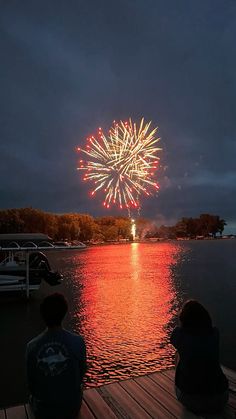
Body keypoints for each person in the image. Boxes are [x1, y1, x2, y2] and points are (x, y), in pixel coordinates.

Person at [26, 293, 87, 419]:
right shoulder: (78, 342)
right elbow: (81, 374)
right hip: (71, 408)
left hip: (43, 411)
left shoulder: (31, 346)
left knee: (30, 398)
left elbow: (31, 384)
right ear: (64, 313)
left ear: (42, 315)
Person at [170, 299, 228, 414]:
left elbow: (173, 337)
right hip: (221, 398)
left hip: (193, 401)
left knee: (179, 353)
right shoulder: (215, 333)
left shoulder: (180, 336)